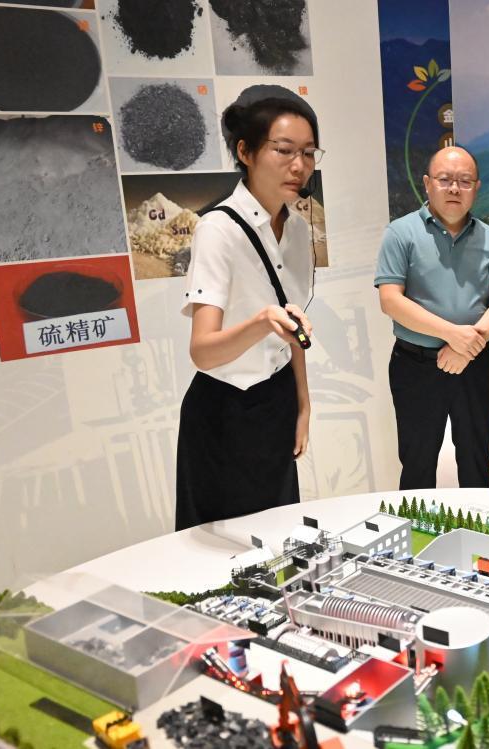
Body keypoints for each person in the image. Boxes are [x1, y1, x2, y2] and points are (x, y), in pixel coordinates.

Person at [176, 87, 319, 530]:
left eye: (308, 153)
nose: (299, 165)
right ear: (245, 152)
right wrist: (261, 322)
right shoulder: (217, 229)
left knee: (280, 536)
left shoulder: (299, 230)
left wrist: (303, 403)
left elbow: (293, 327)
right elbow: (203, 351)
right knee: (220, 546)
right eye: (284, 150)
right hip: (223, 411)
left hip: (277, 400)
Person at [375, 146, 489, 490]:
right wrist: (454, 335)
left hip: (476, 364)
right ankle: (415, 524)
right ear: (427, 183)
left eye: (464, 181)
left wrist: (468, 345)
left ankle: (479, 523)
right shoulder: (400, 233)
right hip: (415, 366)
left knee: (476, 459)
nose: (454, 188)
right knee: (417, 462)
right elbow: (390, 300)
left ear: (476, 187)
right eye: (445, 180)